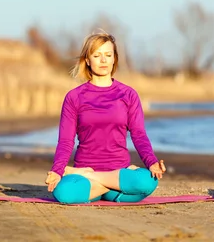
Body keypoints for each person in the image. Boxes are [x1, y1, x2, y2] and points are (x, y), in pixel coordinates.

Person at [44, 31, 166, 204]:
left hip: (114, 173)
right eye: (97, 55)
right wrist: (57, 170)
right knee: (63, 192)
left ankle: (95, 181)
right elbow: (65, 141)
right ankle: (105, 187)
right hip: (90, 176)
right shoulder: (74, 97)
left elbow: (138, 134)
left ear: (114, 59)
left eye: (108, 55)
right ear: (87, 60)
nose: (103, 60)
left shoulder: (128, 95)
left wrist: (151, 161)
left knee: (148, 181)